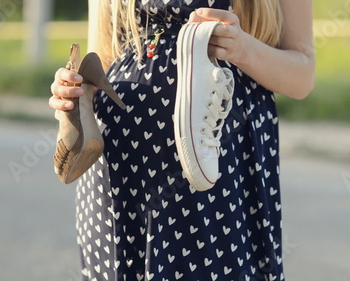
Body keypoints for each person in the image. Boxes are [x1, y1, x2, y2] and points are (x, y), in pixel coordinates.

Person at [49, 0, 314, 280]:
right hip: (120, 165)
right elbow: (101, 58)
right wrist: (73, 90)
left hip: (219, 159)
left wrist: (242, 48)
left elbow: (303, 76)